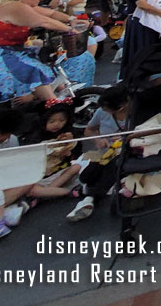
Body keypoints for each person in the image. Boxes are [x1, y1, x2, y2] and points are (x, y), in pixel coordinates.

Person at [66, 85, 130, 221]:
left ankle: (89, 199)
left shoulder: (136, 112)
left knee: (111, 169)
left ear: (121, 107)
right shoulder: (101, 112)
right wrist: (99, 140)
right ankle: (87, 194)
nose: (104, 111)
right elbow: (89, 130)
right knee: (88, 175)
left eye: (107, 109)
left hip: (128, 153)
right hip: (106, 153)